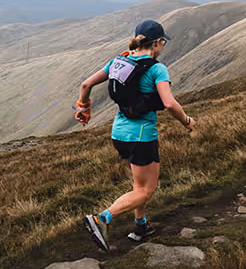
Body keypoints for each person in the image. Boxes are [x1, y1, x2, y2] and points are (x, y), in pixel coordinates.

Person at [74, 19, 195, 251]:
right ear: (158, 43)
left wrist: (84, 108)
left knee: (138, 185)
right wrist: (187, 121)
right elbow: (169, 104)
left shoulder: (118, 62)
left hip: (119, 133)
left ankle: (141, 226)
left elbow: (86, 83)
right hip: (141, 136)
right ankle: (100, 220)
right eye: (163, 43)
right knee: (146, 190)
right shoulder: (156, 68)